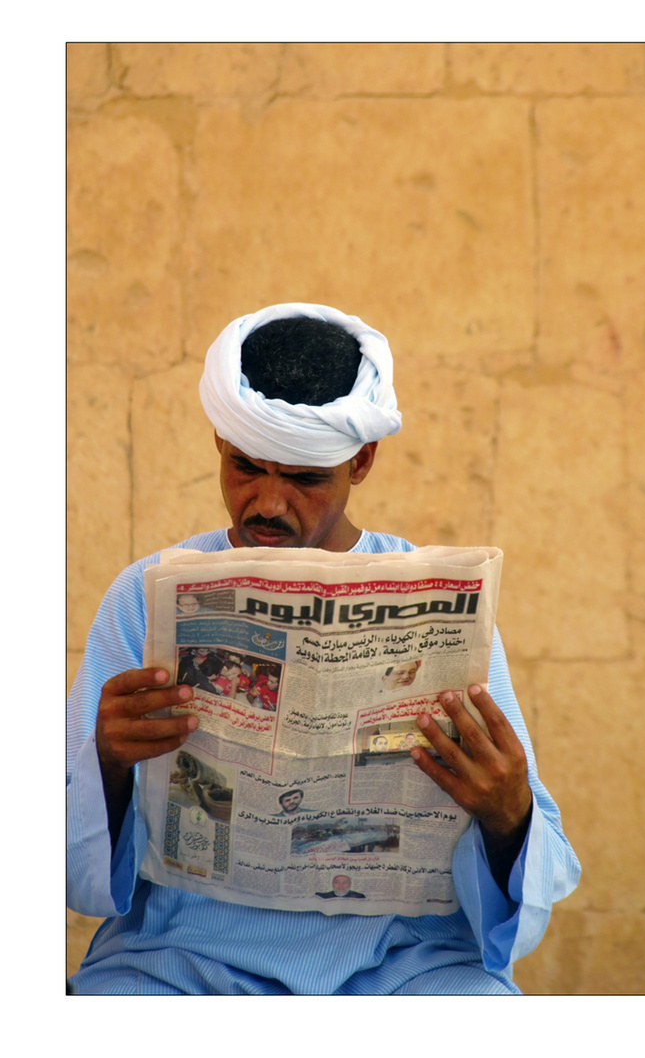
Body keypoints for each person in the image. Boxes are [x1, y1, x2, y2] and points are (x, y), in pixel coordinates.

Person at [67, 302, 580, 995]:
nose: (268, 504)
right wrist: (106, 760)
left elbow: (530, 856)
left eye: (305, 478)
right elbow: (71, 863)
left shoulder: (437, 599)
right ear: (219, 442)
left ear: (360, 461)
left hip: (404, 967)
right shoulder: (148, 596)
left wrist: (508, 810)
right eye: (246, 468)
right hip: (182, 959)